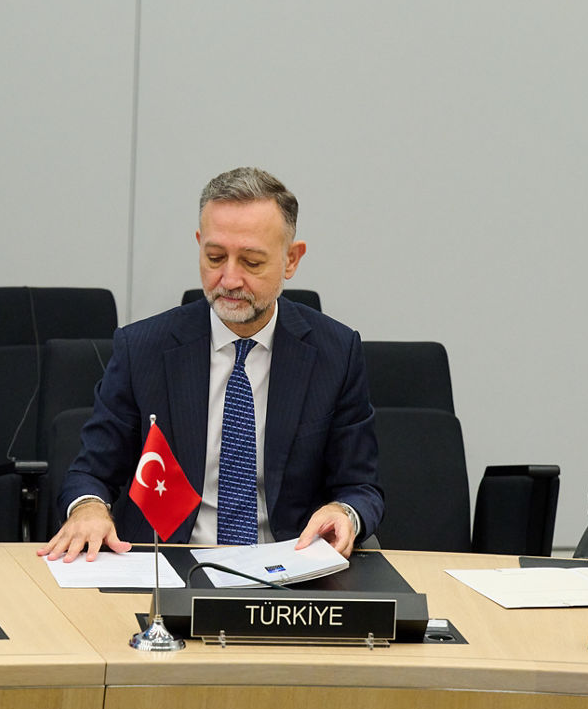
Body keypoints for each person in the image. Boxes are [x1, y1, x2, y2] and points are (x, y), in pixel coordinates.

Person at [39, 167, 382, 562]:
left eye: (252, 262)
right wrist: (89, 509)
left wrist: (345, 514)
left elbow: (362, 487)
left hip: (287, 567)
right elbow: (91, 473)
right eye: (215, 257)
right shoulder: (143, 349)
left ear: (291, 259)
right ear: (199, 244)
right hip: (166, 565)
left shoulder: (335, 352)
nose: (229, 279)